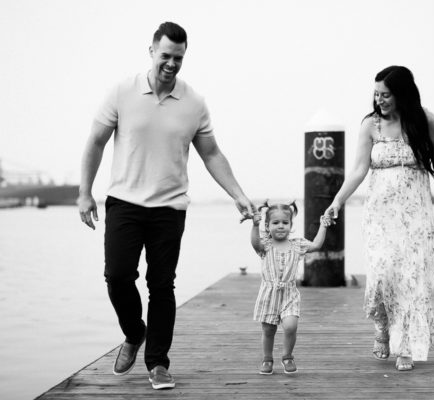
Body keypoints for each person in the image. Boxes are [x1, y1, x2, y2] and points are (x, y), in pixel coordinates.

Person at [77, 22, 254, 390]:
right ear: (151, 51)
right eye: (166, 56)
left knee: (162, 285)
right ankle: (134, 331)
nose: (171, 64)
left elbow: (212, 154)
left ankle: (158, 363)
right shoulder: (122, 92)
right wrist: (84, 192)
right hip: (124, 202)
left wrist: (238, 194)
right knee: (118, 276)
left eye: (179, 58)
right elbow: (95, 142)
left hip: (169, 209)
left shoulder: (194, 103)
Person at [325, 66, 434, 371]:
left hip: (416, 215)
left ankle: (406, 346)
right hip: (380, 216)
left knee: (411, 279)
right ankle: (382, 327)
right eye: (376, 94)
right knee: (383, 273)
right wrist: (337, 201)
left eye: (385, 95)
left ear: (402, 94)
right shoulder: (370, 125)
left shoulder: (425, 121)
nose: (380, 100)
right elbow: (359, 170)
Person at [250, 201, 331, 375]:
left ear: (291, 225)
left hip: (289, 293)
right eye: (275, 223)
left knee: (290, 326)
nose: (280, 226)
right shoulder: (265, 244)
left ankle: (287, 356)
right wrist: (255, 225)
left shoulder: (297, 245)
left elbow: (316, 245)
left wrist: (323, 225)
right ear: (267, 225)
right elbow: (255, 243)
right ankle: (267, 358)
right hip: (268, 294)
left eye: (285, 223)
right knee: (268, 329)